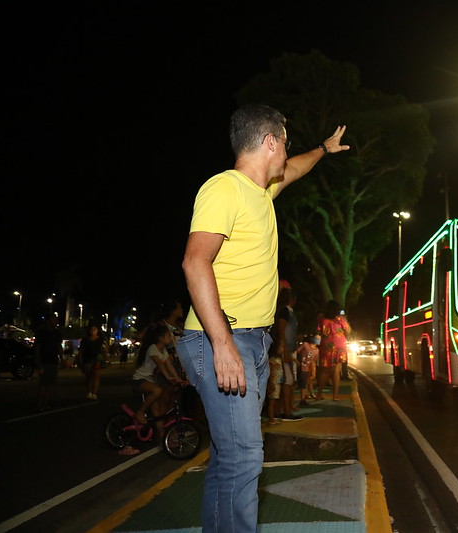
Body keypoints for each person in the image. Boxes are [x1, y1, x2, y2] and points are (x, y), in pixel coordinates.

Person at [178, 103, 348, 533]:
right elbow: (195, 263)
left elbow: (294, 169)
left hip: (252, 342)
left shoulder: (261, 191)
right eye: (285, 143)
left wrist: (324, 150)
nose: (287, 153)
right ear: (270, 141)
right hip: (221, 338)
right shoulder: (225, 188)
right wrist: (223, 345)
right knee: (245, 457)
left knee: (229, 457)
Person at [132, 322, 184, 433]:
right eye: (168, 336)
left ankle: (163, 438)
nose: (171, 338)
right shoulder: (153, 348)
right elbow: (160, 364)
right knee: (157, 391)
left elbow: (169, 365)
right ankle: (140, 412)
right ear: (161, 338)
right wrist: (169, 378)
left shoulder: (164, 350)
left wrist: (177, 378)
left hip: (149, 380)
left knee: (158, 411)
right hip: (139, 379)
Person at [272, 286, 301, 421]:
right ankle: (287, 412)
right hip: (285, 350)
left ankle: (281, 410)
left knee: (285, 380)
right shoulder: (285, 312)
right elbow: (281, 330)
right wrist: (285, 349)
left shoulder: (284, 311)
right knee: (287, 381)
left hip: (287, 349)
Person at [316, 300, 351, 401]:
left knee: (324, 370)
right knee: (336, 369)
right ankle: (335, 395)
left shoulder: (322, 319)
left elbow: (318, 331)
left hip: (327, 346)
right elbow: (348, 330)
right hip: (340, 345)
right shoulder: (340, 319)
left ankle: (319, 394)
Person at [34, 315, 62, 411]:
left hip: (53, 360)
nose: (56, 321)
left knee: (50, 384)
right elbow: (37, 347)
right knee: (43, 383)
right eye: (54, 319)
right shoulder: (42, 332)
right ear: (48, 320)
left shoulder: (56, 333)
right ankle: (39, 403)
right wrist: (38, 361)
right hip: (44, 360)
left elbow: (59, 347)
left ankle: (45, 403)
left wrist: (62, 359)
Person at [78, 324, 107, 400]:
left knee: (96, 377)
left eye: (94, 329)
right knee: (88, 377)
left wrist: (106, 359)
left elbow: (104, 350)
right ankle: (89, 392)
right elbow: (81, 350)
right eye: (91, 329)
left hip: (97, 359)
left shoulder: (100, 340)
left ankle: (94, 393)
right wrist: (80, 358)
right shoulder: (85, 339)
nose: (92, 331)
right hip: (87, 359)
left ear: (97, 331)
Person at [296, 333, 320, 406]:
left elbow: (314, 360)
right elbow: (297, 351)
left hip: (308, 368)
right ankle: (302, 399)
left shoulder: (317, 350)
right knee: (303, 383)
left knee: (307, 382)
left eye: (318, 339)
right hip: (302, 366)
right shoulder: (305, 345)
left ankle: (306, 396)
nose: (317, 340)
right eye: (316, 338)